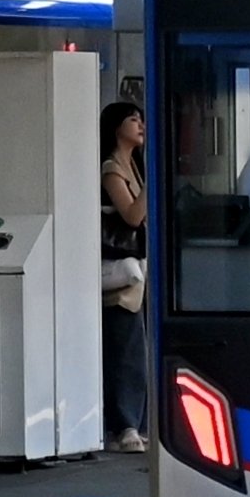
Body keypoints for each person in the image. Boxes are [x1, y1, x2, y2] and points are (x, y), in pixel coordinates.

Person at [99, 97, 152, 452]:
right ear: (117, 128)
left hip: (138, 273)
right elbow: (132, 216)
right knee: (124, 351)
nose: (141, 125)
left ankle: (137, 421)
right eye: (133, 120)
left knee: (137, 349)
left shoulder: (134, 165)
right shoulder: (112, 169)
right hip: (120, 273)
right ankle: (125, 425)